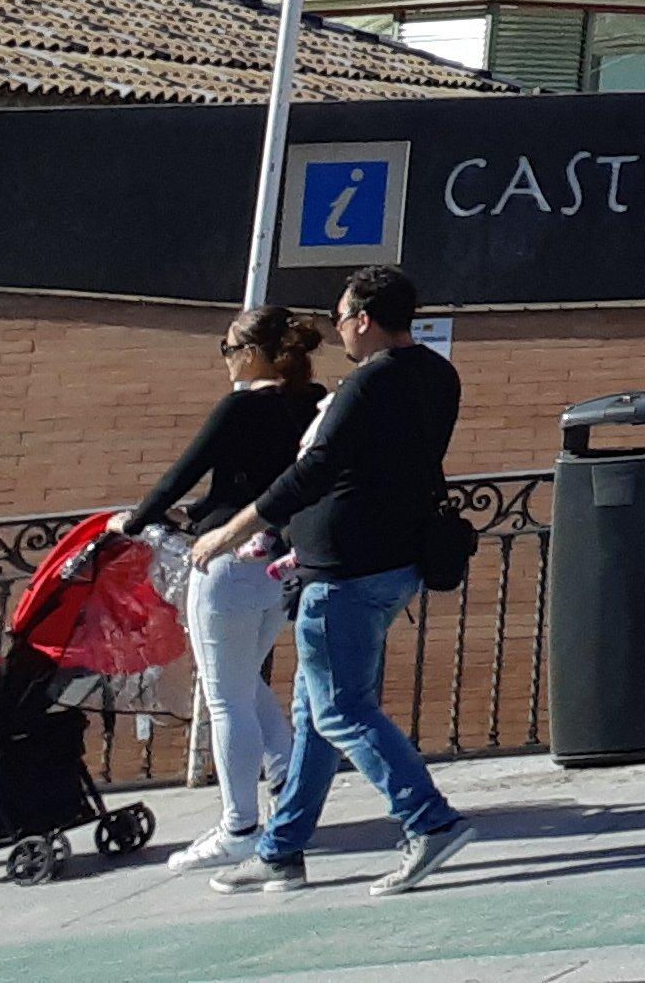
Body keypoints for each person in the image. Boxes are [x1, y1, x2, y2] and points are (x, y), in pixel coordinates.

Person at [186, 268, 467, 898]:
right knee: (313, 712)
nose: (337, 329)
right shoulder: (436, 374)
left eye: (341, 318)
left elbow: (313, 470)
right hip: (394, 560)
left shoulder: (370, 384)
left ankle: (430, 820)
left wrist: (230, 533)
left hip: (347, 570)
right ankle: (281, 850)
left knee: (341, 709)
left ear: (363, 318)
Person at [126, 306, 320, 872]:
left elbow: (180, 474)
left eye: (229, 348)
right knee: (243, 681)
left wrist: (133, 523)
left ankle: (238, 825)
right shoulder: (312, 401)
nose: (227, 359)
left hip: (228, 560)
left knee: (224, 696)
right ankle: (285, 776)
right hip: (278, 562)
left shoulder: (241, 405)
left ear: (253, 353)